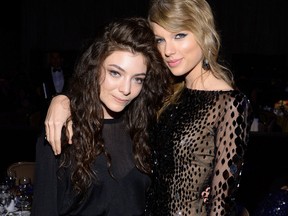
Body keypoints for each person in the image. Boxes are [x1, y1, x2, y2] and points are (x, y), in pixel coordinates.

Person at [43, 0, 252, 215]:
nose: (168, 50)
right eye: (160, 39)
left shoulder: (229, 103)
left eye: (179, 35)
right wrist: (62, 100)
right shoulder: (166, 92)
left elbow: (221, 204)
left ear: (203, 31)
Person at [31, 17, 172, 216]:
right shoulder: (60, 129)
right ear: (95, 68)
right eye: (115, 73)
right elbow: (44, 210)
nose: (126, 89)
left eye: (137, 79)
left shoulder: (147, 129)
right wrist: (62, 99)